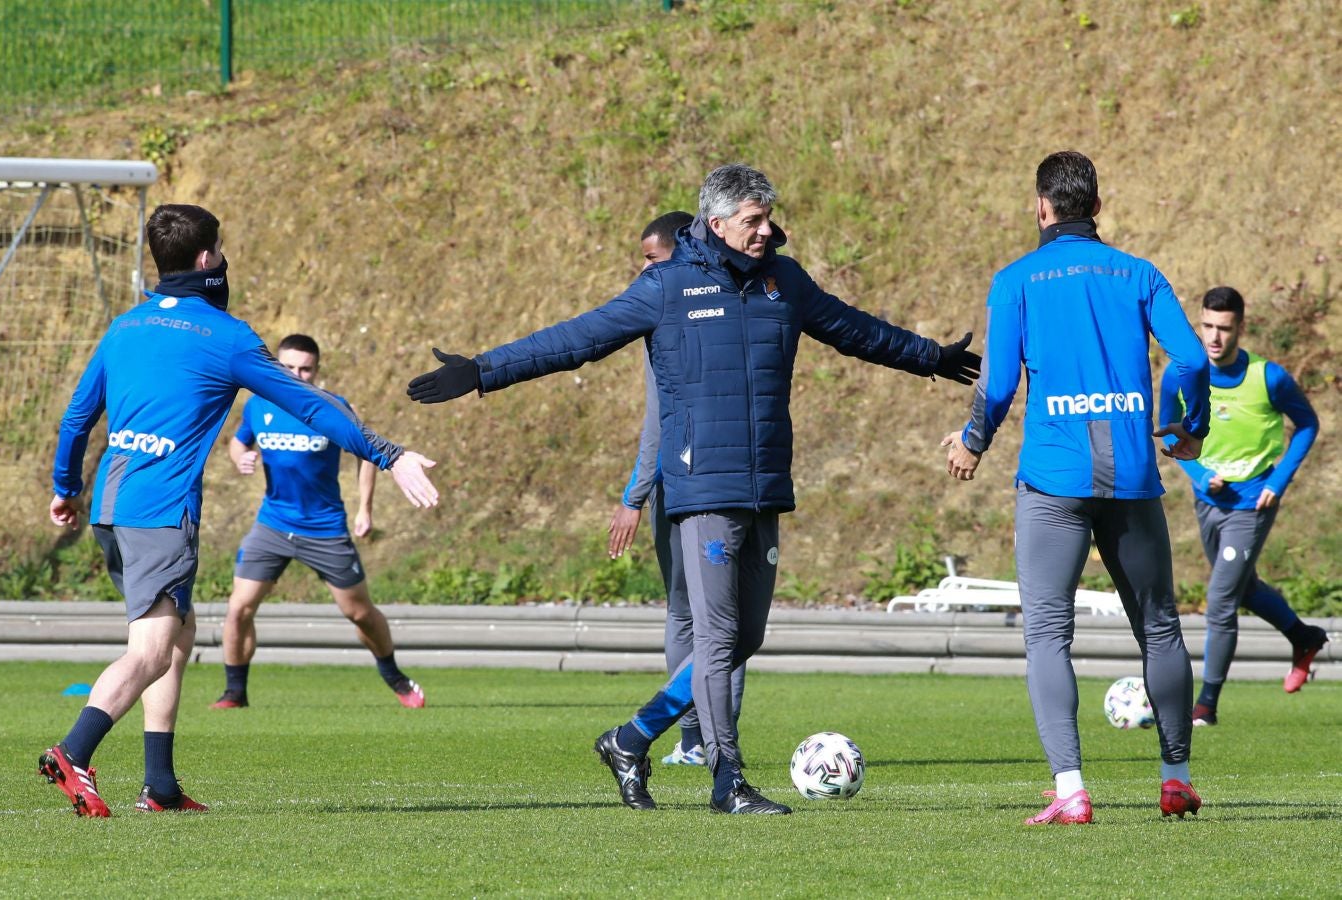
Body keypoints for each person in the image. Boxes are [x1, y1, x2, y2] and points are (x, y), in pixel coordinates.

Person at [409, 164, 980, 814]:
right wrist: (484, 371)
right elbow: (576, 339)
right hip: (700, 485)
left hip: (764, 483)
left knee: (744, 640)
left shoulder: (784, 283)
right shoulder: (666, 286)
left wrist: (928, 356)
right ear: (717, 225)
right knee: (714, 641)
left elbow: (857, 331)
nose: (768, 230)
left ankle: (631, 739)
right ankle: (727, 780)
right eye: (753, 221)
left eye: (769, 217)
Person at [44, 204, 438, 817]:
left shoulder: (124, 326)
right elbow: (310, 405)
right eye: (221, 252)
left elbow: (77, 418)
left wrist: (64, 487)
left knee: (178, 636)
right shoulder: (226, 337)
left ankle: (161, 785)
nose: (224, 261)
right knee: (150, 648)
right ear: (207, 261)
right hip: (161, 510)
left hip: (110, 506)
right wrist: (388, 454)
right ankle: (75, 751)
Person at [942, 150, 1211, 825]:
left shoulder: (1016, 281)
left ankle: (1072, 791)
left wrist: (971, 442)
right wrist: (1184, 425)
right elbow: (1192, 356)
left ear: (1042, 208)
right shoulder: (1138, 273)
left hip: (1053, 481)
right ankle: (1174, 778)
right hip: (1132, 475)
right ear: (1097, 205)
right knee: (1159, 629)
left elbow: (999, 385)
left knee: (1048, 637)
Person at [211, 334, 427, 711]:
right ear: (276, 367)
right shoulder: (258, 405)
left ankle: (394, 674)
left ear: (317, 370)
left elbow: (367, 453)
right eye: (289, 367)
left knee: (358, 612)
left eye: (306, 368)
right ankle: (234, 693)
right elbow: (237, 441)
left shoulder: (332, 408)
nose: (298, 375)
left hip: (325, 528)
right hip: (273, 524)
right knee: (239, 607)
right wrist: (239, 457)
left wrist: (366, 509)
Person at [607, 211, 746, 768]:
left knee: (700, 617)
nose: (643, 269)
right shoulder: (725, 302)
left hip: (687, 485)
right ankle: (705, 741)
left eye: (650, 258)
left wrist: (633, 497)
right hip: (718, 481)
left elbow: (660, 420)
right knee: (708, 617)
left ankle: (700, 740)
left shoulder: (671, 307)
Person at [1159, 286, 1326, 724]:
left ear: (1240, 328)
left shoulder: (1268, 377)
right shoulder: (1179, 374)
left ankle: (1206, 705)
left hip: (1253, 500)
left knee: (1220, 598)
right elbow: (1165, 431)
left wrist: (1280, 478)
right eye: (1207, 326)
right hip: (1208, 500)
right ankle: (1303, 636)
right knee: (1243, 588)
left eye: (1224, 328)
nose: (1214, 337)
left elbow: (1308, 424)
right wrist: (1197, 474)